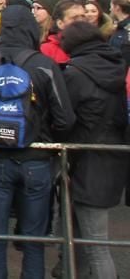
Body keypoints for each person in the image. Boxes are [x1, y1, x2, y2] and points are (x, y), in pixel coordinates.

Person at [0, 5, 75, 279]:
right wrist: (48, 141)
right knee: (34, 239)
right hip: (37, 158)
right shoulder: (43, 64)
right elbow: (65, 117)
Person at [59, 21, 128, 279]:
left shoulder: (76, 73)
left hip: (87, 159)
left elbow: (64, 117)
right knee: (86, 238)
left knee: (96, 245)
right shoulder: (115, 65)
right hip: (111, 154)